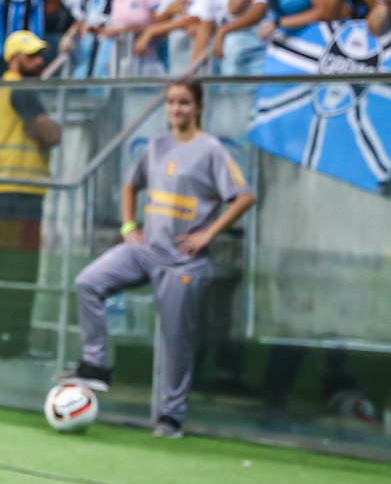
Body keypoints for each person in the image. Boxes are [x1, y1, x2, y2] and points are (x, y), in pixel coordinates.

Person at [64, 79, 254, 438]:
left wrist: (208, 234)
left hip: (184, 261)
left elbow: (244, 196)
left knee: (175, 342)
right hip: (145, 250)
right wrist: (127, 225)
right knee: (88, 282)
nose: (176, 110)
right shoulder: (156, 146)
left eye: (183, 103)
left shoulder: (211, 150)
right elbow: (129, 184)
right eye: (170, 103)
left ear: (198, 106)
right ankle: (96, 365)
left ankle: (170, 418)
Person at [0, 31, 58, 358]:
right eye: (32, 56)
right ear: (14, 59)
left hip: (7, 187)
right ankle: (12, 339)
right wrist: (51, 128)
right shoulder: (20, 89)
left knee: (1, 264)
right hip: (21, 189)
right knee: (20, 266)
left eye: (39, 55)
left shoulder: (6, 88)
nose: (39, 61)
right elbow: (50, 134)